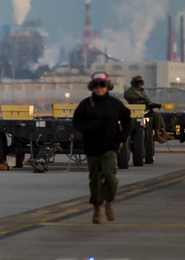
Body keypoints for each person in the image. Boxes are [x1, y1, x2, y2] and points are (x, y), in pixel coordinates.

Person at [72, 72, 132, 225]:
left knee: (111, 178)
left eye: (102, 85)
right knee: (95, 180)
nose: (99, 89)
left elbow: (127, 121)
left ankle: (109, 203)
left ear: (108, 86)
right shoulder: (85, 105)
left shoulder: (115, 104)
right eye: (96, 86)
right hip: (92, 148)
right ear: (92, 87)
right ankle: (97, 208)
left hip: (109, 148)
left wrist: (122, 138)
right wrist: (88, 128)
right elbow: (76, 122)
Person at [123, 74, 172, 143]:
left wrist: (154, 105)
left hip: (145, 110)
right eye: (137, 82)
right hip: (137, 111)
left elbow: (148, 101)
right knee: (156, 116)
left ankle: (163, 133)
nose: (139, 84)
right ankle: (157, 134)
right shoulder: (130, 92)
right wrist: (140, 99)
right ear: (134, 83)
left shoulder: (142, 92)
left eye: (140, 82)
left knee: (158, 115)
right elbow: (129, 97)